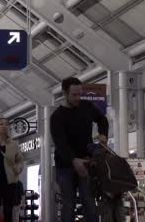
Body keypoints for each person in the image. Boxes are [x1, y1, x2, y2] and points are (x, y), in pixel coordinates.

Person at [50, 77, 109, 222]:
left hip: (87, 161)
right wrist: (74, 160)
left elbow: (102, 119)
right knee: (68, 206)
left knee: (90, 204)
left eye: (79, 94)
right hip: (65, 166)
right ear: (65, 93)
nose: (77, 98)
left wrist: (103, 134)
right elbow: (60, 143)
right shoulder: (57, 116)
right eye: (74, 95)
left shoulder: (86, 106)